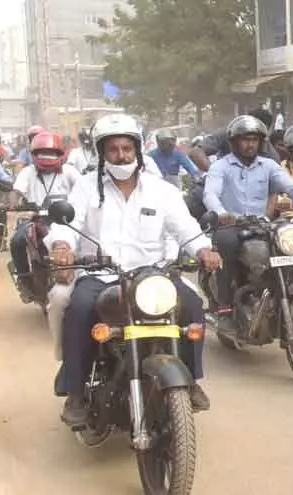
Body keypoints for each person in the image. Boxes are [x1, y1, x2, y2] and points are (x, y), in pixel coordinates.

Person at [46, 113, 222, 426]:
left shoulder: (161, 190)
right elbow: (68, 225)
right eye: (113, 149)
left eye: (127, 148)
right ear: (102, 153)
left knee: (192, 304)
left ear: (137, 150)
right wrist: (62, 247)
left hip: (152, 276)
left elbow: (186, 228)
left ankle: (191, 380)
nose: (121, 155)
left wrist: (204, 249)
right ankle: (75, 393)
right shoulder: (86, 187)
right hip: (101, 276)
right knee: (79, 310)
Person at [202, 114, 293, 331]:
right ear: (234, 142)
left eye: (254, 140)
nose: (250, 144)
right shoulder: (221, 167)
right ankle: (225, 309)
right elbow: (210, 194)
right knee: (225, 245)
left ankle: (292, 298)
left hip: (263, 224)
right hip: (231, 224)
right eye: (245, 139)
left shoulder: (269, 166)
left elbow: (291, 188)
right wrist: (220, 213)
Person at [8, 131, 81, 298]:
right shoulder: (28, 172)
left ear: (60, 154)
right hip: (36, 219)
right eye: (42, 153)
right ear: (34, 155)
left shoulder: (70, 171)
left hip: (66, 220)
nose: (47, 157)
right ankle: (24, 279)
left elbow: (84, 190)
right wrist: (13, 201)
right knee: (17, 241)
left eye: (51, 153)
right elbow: (17, 190)